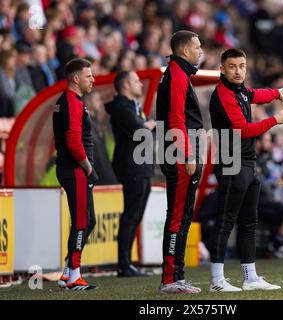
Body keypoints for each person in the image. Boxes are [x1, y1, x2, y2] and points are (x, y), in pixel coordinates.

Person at [209, 48, 283, 292]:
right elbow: (243, 129)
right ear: (222, 69)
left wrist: (277, 92)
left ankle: (250, 277)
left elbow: (256, 94)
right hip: (231, 163)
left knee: (249, 222)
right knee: (226, 221)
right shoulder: (223, 94)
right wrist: (275, 121)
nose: (238, 71)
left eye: (242, 66)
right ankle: (217, 281)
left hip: (248, 162)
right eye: (232, 66)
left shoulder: (241, 91)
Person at [156, 30, 203, 294]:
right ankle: (171, 279)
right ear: (185, 51)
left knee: (183, 216)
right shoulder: (175, 75)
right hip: (180, 157)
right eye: (197, 47)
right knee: (177, 217)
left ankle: (176, 276)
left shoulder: (178, 73)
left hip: (181, 154)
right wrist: (187, 155)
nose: (200, 51)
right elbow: (176, 119)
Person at [105, 71, 156, 277]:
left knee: (136, 216)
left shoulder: (133, 107)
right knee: (131, 215)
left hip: (142, 166)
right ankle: (123, 264)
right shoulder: (121, 108)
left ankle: (127, 263)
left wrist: (147, 125)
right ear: (126, 85)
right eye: (136, 81)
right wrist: (147, 126)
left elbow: (144, 127)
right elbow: (139, 130)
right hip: (131, 166)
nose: (141, 85)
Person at [53, 58, 98, 290]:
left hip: (73, 168)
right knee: (82, 222)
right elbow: (72, 140)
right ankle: (74, 277)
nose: (93, 79)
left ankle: (68, 271)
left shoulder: (70, 102)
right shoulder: (71, 102)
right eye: (89, 76)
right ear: (76, 78)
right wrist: (88, 167)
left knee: (88, 221)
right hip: (75, 169)